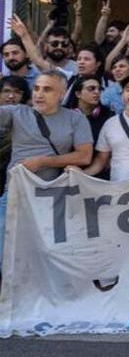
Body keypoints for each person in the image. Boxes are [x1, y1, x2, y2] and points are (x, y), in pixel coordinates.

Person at [0, 71, 94, 271]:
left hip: (54, 197)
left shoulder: (75, 119)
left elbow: (84, 156)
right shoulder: (17, 112)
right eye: (36, 88)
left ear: (61, 94)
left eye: (47, 89)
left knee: (48, 257)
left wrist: (43, 161)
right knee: (5, 253)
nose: (39, 94)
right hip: (16, 193)